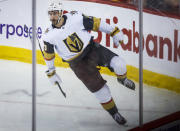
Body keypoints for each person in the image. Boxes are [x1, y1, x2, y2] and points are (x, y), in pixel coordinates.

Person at [42, 0, 135, 126]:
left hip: (92, 49)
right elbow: (49, 55)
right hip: (78, 64)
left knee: (119, 64)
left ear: (60, 12)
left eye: (54, 13)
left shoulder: (75, 17)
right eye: (50, 14)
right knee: (102, 92)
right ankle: (114, 113)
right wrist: (51, 71)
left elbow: (96, 23)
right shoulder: (49, 36)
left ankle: (122, 79)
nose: (52, 17)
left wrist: (113, 31)